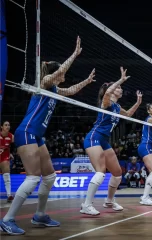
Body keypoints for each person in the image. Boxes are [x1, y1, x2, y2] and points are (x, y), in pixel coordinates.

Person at [0, 36, 95, 235]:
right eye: (60, 73)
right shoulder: (43, 83)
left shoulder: (54, 89)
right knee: (33, 178)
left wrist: (86, 81)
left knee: (50, 176)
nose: (63, 75)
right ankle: (7, 219)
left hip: (38, 137)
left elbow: (69, 90)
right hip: (26, 132)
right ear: (54, 73)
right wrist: (75, 54)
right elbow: (60, 71)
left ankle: (40, 215)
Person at [81, 66, 142, 215]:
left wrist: (138, 102)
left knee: (117, 173)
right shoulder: (106, 102)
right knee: (101, 172)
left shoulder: (116, 106)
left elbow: (127, 115)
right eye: (119, 87)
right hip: (94, 138)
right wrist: (120, 79)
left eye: (120, 86)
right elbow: (107, 91)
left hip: (104, 141)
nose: (120, 89)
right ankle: (86, 205)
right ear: (113, 90)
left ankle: (109, 201)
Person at [0, 121, 14, 202]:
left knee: (7, 175)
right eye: (5, 125)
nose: (7, 126)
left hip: (5, 157)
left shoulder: (11, 136)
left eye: (9, 125)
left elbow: (15, 146)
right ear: (1, 127)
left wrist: (11, 153)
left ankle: (9, 195)